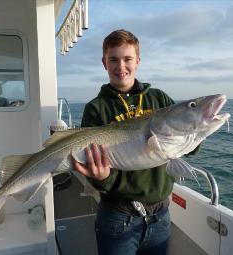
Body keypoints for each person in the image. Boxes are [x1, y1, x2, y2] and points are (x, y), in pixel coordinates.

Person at [71, 29, 177, 255]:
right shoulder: (96, 108)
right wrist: (102, 178)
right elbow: (98, 172)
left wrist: (199, 131)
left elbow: (186, 146)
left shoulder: (160, 99)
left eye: (128, 59)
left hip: (161, 215)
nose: (121, 66)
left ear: (138, 61)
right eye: (113, 60)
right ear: (104, 63)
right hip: (117, 216)